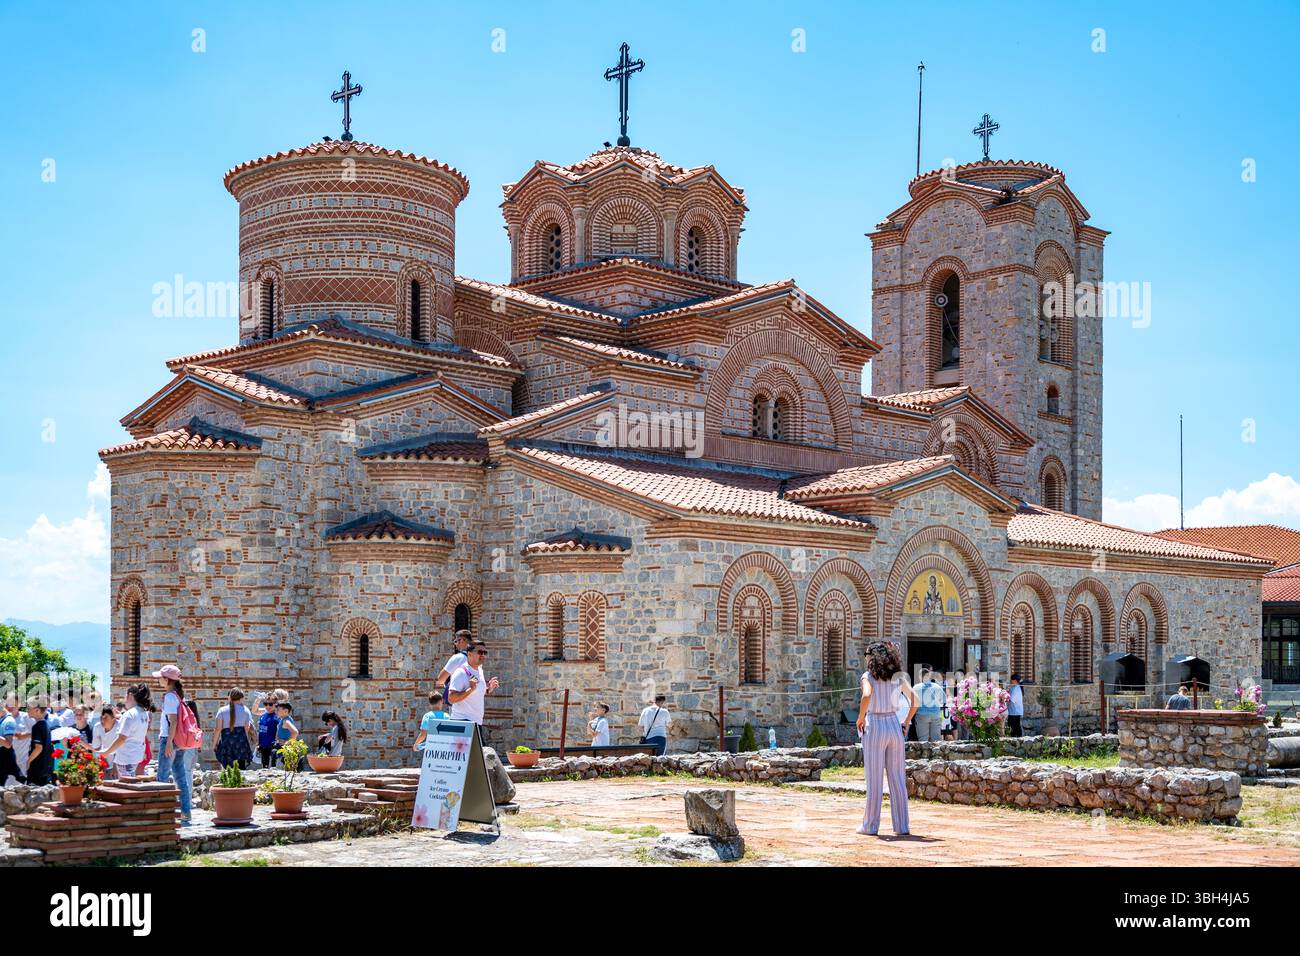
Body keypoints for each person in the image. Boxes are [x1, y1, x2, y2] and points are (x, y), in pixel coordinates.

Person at [855, 641, 917, 837]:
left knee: (874, 779)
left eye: (867, 655)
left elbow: (866, 696)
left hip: (875, 724)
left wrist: (860, 717)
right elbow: (915, 699)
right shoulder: (898, 677)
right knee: (897, 778)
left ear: (872, 657)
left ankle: (870, 826)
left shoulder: (868, 676)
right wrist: (906, 721)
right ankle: (902, 826)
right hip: (894, 723)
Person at [153, 665, 198, 825]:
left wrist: (169, 744)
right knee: (180, 777)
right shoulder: (178, 696)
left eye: (160, 677)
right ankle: (186, 812)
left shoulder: (170, 697)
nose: (158, 679)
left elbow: (173, 722)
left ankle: (163, 814)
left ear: (167, 679)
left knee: (162, 777)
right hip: (178, 741)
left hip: (169, 739)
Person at [447, 642, 499, 742]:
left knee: (478, 756)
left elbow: (477, 693)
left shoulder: (480, 670)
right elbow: (451, 698)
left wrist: (489, 689)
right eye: (480, 652)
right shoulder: (460, 672)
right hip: (462, 724)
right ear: (469, 654)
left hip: (475, 723)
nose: (483, 655)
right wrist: (470, 689)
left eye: (485, 652)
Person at [102, 684, 151, 781]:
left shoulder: (129, 715)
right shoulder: (144, 713)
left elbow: (121, 739)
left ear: (130, 695)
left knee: (127, 788)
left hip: (126, 758)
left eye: (125, 696)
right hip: (136, 756)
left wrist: (107, 752)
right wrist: (121, 717)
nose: (124, 699)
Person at [213, 689, 255, 769]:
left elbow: (218, 729)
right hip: (241, 744)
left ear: (230, 697)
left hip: (227, 743)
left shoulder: (222, 710)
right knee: (241, 770)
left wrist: (214, 745)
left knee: (227, 770)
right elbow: (247, 729)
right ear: (241, 698)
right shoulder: (245, 710)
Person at [434, 629, 473, 707]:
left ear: (462, 640)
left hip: (458, 703)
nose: (455, 644)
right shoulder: (476, 658)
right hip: (473, 702)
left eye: (455, 641)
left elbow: (440, 680)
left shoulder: (458, 657)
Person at [24, 697, 53, 786]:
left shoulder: (37, 726)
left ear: (37, 710)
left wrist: (28, 761)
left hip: (37, 769)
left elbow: (38, 748)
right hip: (45, 768)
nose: (27, 710)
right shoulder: (45, 724)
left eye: (29, 708)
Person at [913, 670, 945, 743]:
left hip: (922, 714)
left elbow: (912, 701)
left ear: (920, 677)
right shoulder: (937, 686)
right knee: (936, 739)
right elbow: (943, 700)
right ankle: (937, 754)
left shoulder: (916, 687)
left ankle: (924, 754)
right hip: (935, 715)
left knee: (923, 740)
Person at [0, 702, 23, 786]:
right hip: (3, 754)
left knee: (19, 777)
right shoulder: (2, 719)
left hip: (5, 754)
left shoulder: (9, 721)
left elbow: (8, 744)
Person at [95, 706, 120, 779]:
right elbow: (98, 746)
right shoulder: (98, 727)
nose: (103, 720)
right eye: (102, 717)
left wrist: (115, 766)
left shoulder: (119, 727)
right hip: (103, 763)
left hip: (116, 765)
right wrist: (103, 762)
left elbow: (119, 748)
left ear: (113, 718)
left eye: (106, 717)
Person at [257, 695, 280, 768]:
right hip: (263, 746)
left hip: (273, 746)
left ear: (276, 704)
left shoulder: (277, 717)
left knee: (273, 769)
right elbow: (260, 730)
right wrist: (258, 743)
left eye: (270, 704)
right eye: (265, 704)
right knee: (264, 767)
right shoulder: (263, 715)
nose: (267, 706)